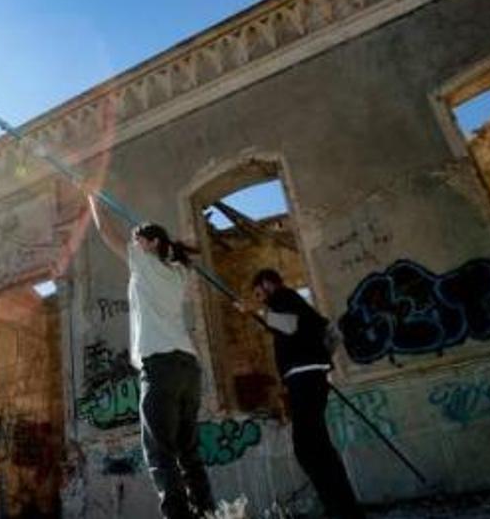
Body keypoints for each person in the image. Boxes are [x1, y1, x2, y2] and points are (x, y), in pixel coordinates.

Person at [88, 193, 215, 519]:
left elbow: (106, 232)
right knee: (188, 454)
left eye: (137, 239)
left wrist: (91, 197)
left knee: (159, 452)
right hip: (188, 367)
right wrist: (175, 244)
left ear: (150, 243)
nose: (133, 243)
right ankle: (207, 513)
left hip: (161, 368)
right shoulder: (178, 273)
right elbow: (179, 252)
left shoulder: (144, 262)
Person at [237, 268, 364, 519]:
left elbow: (289, 325)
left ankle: (342, 509)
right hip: (310, 376)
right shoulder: (296, 304)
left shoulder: (283, 297)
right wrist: (322, 363)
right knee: (317, 445)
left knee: (308, 447)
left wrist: (256, 310)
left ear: (267, 284)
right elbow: (327, 330)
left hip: (305, 376)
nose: (260, 298)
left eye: (259, 293)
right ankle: (342, 508)